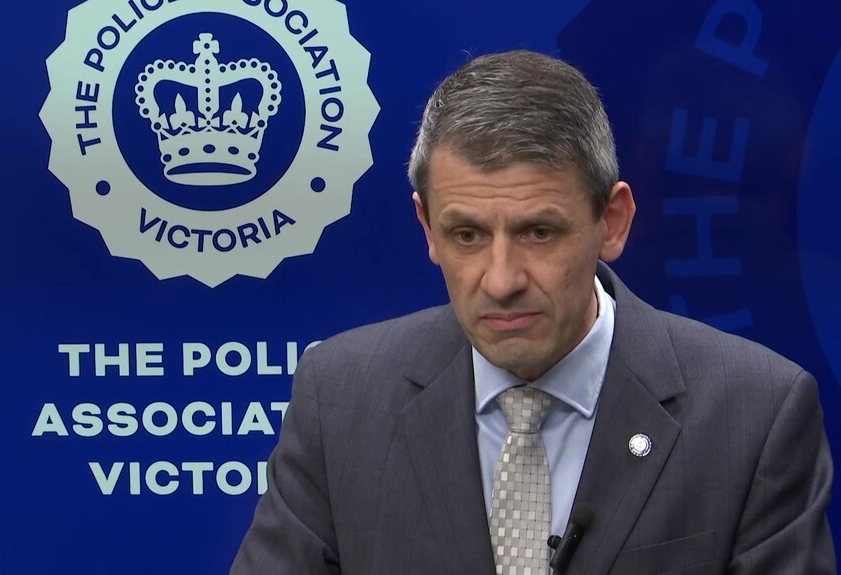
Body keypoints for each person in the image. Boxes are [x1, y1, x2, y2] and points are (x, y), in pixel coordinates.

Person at [230, 51, 835, 574]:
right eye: (466, 235)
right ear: (427, 228)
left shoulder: (756, 415)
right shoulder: (338, 398)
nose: (501, 281)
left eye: (539, 232)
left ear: (613, 222)